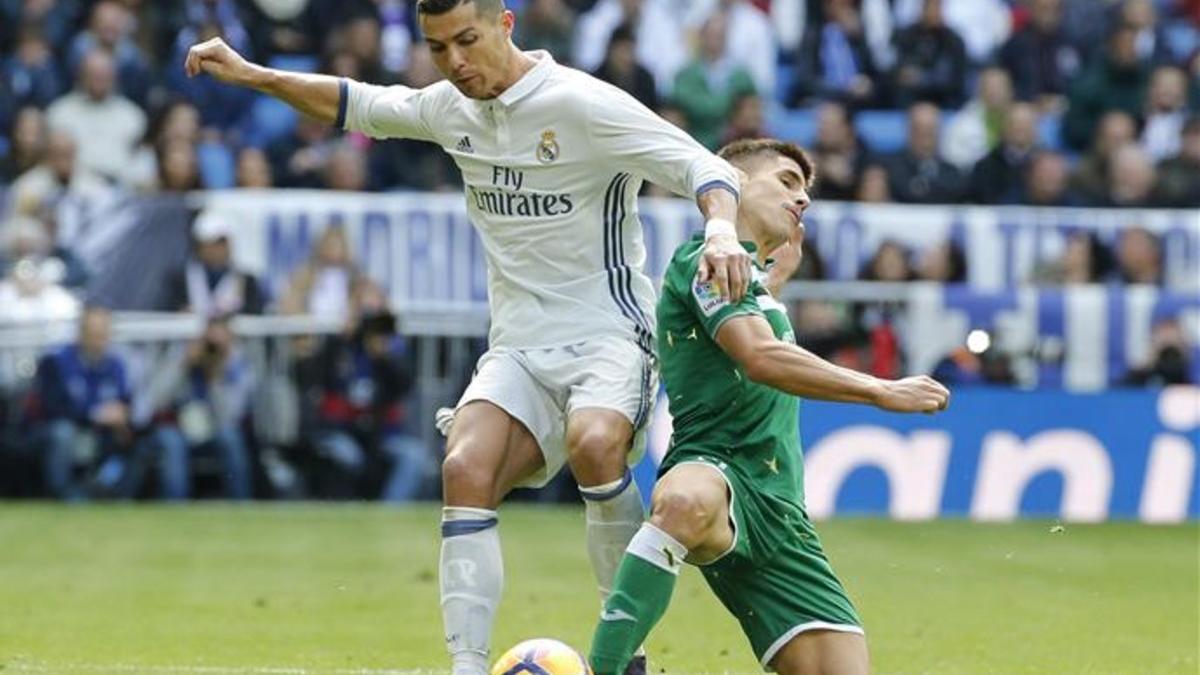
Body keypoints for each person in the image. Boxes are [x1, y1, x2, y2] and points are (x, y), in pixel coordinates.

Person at [184, 2, 751, 673]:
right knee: (463, 467)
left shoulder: (582, 104)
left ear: (506, 24)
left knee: (596, 443)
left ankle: (626, 657)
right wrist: (250, 73)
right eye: (437, 48)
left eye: (466, 41)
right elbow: (355, 103)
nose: (454, 63)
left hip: (607, 334)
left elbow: (705, 169)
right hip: (518, 345)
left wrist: (719, 230)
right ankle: (466, 666)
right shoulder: (451, 107)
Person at [588, 138, 950, 675]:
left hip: (781, 514)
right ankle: (607, 667)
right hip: (717, 473)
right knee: (684, 503)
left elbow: (749, 323)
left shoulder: (754, 283)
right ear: (731, 183)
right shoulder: (703, 259)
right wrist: (881, 390)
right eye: (786, 181)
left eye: (806, 191)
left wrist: (773, 277)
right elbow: (759, 356)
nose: (802, 199)